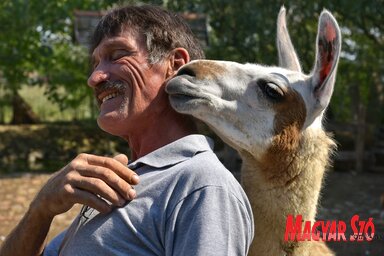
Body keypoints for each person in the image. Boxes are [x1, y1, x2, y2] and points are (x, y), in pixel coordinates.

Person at [0, 5, 254, 256]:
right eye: (96, 62)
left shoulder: (202, 185)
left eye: (118, 54)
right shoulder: (118, 182)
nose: (95, 77)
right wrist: (41, 210)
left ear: (175, 65)